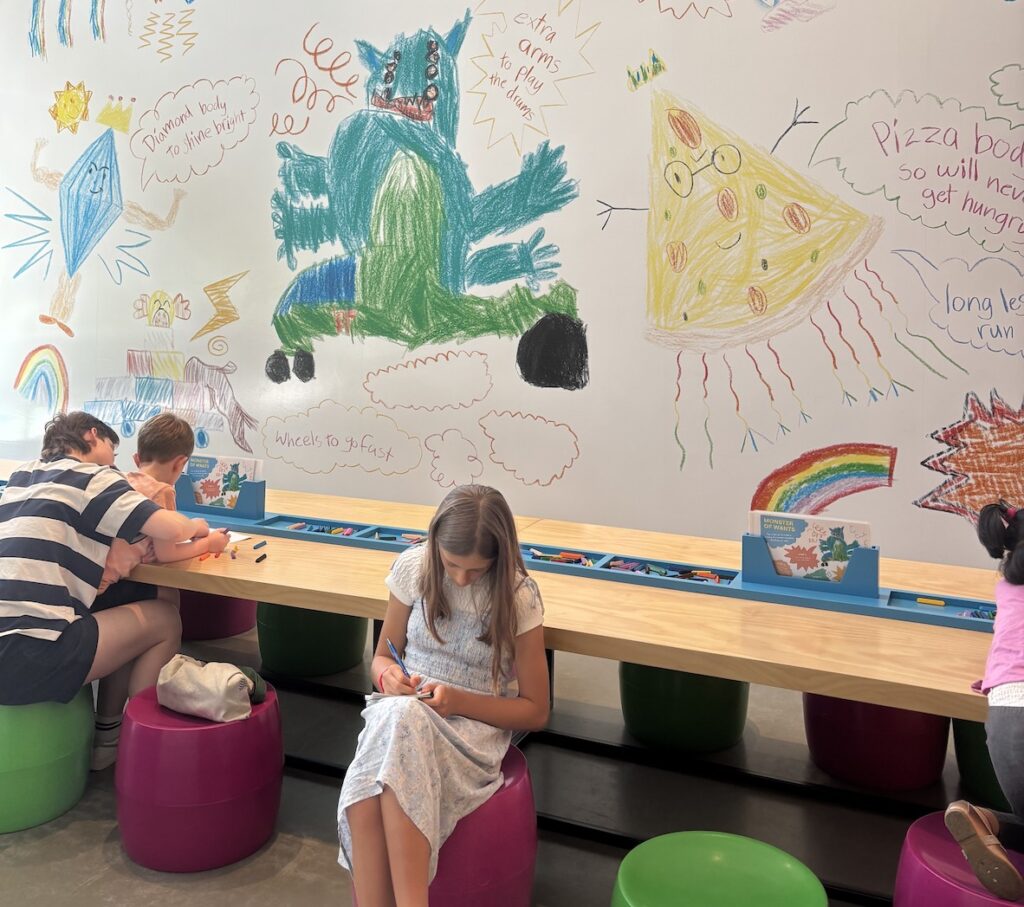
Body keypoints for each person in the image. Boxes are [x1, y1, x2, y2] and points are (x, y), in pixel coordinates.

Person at [338, 485, 549, 907]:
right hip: (403, 712)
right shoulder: (414, 567)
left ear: (499, 558)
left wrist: (458, 701)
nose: (459, 578)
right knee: (391, 734)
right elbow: (381, 658)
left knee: (386, 753)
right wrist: (388, 679)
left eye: (475, 570)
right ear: (434, 543)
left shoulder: (517, 594)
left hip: (472, 729)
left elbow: (536, 711)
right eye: (451, 564)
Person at [0, 412, 209, 714]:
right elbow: (173, 530)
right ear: (92, 435)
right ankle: (136, 733)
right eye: (113, 449)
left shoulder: (21, 477)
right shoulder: (96, 477)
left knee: (128, 603)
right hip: (32, 654)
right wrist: (200, 527)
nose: (114, 462)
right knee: (166, 618)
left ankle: (108, 734)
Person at [89, 412, 229, 769]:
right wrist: (208, 541)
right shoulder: (162, 490)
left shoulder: (119, 479)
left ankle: (107, 733)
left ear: (137, 457)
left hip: (94, 587)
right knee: (168, 606)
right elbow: (168, 554)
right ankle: (145, 723)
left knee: (149, 608)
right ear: (181, 463)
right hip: (113, 589)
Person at [946, 500, 1024, 901]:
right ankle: (989, 822)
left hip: (1008, 714)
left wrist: (994, 680)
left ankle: (985, 820)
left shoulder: (1008, 588)